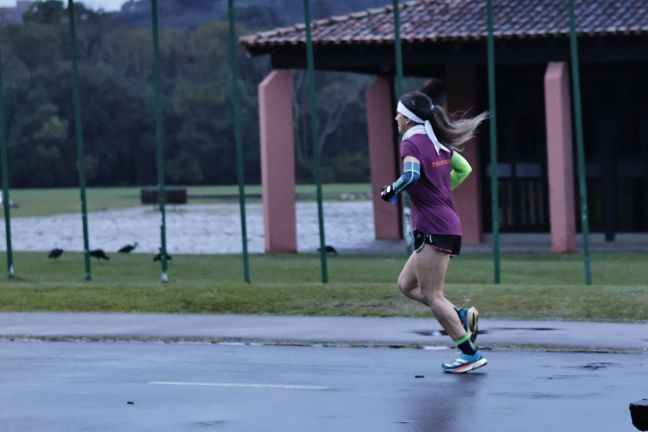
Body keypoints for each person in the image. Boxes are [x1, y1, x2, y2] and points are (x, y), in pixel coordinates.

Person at [380, 91, 487, 373]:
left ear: (409, 117)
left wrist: (390, 190)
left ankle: (469, 354)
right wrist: (440, 192)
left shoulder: (410, 142)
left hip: (433, 227)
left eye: (399, 113)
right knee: (406, 285)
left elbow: (412, 175)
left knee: (433, 295)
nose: (396, 117)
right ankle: (461, 316)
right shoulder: (434, 140)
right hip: (443, 222)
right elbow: (464, 168)